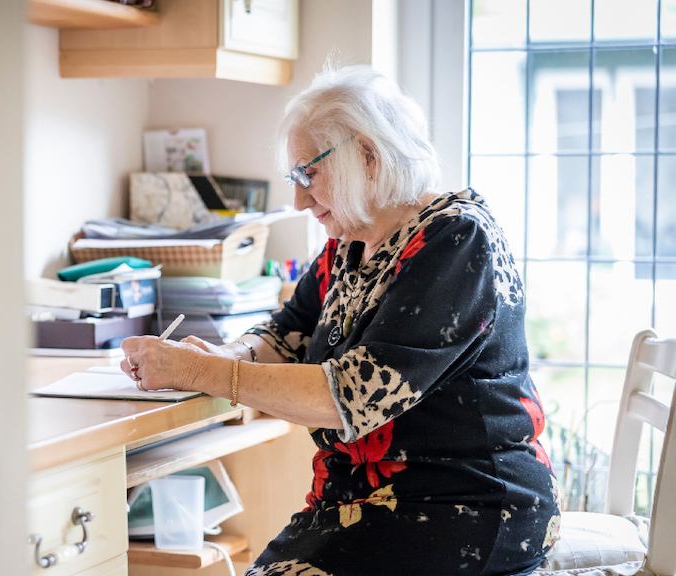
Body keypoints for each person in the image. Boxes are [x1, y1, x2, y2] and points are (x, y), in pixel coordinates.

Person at [120, 65, 560, 576]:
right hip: (366, 502)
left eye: (308, 174)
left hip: (467, 503)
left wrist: (203, 374)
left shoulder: (456, 239)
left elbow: (352, 395)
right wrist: (225, 354)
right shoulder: (350, 243)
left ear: (368, 157)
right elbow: (286, 333)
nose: (299, 200)